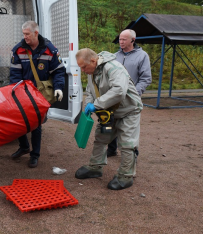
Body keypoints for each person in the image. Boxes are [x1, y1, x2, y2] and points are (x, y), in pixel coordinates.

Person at [74, 48, 143, 190]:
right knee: (101, 138)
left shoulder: (114, 68)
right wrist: (89, 104)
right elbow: (90, 90)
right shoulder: (91, 71)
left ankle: (126, 176)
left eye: (84, 67)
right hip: (110, 112)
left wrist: (97, 105)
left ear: (93, 61)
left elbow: (119, 91)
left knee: (127, 143)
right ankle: (95, 167)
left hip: (128, 111)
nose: (83, 70)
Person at [9, 21, 65, 168]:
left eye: (27, 34)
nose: (25, 37)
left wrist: (58, 87)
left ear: (35, 33)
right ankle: (24, 146)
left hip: (40, 94)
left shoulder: (49, 49)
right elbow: (14, 74)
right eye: (23, 34)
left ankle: (35, 155)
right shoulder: (19, 50)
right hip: (23, 92)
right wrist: (16, 91)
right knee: (19, 121)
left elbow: (59, 71)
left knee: (36, 124)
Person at [107, 29, 152, 157]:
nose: (121, 42)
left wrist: (135, 93)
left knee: (129, 128)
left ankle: (132, 154)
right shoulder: (115, 56)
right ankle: (111, 149)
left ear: (133, 40)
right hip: (115, 96)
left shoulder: (142, 56)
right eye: (120, 39)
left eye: (124, 39)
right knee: (111, 122)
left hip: (131, 100)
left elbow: (146, 78)